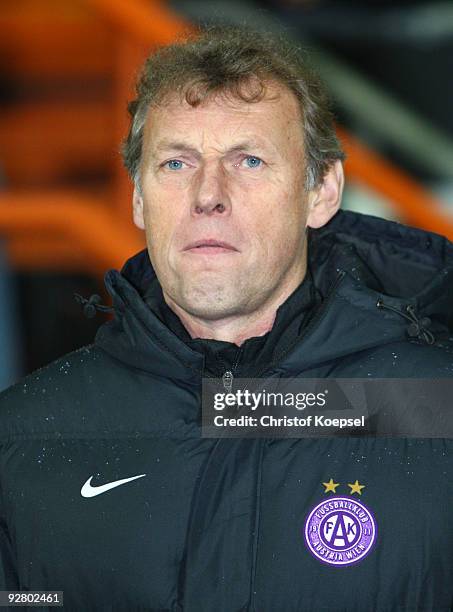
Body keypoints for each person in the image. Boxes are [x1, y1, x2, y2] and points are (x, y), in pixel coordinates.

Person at [1, 25, 452, 611]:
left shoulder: (437, 411)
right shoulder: (20, 438)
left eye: (250, 159)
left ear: (321, 190)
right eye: (175, 164)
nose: (208, 195)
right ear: (137, 196)